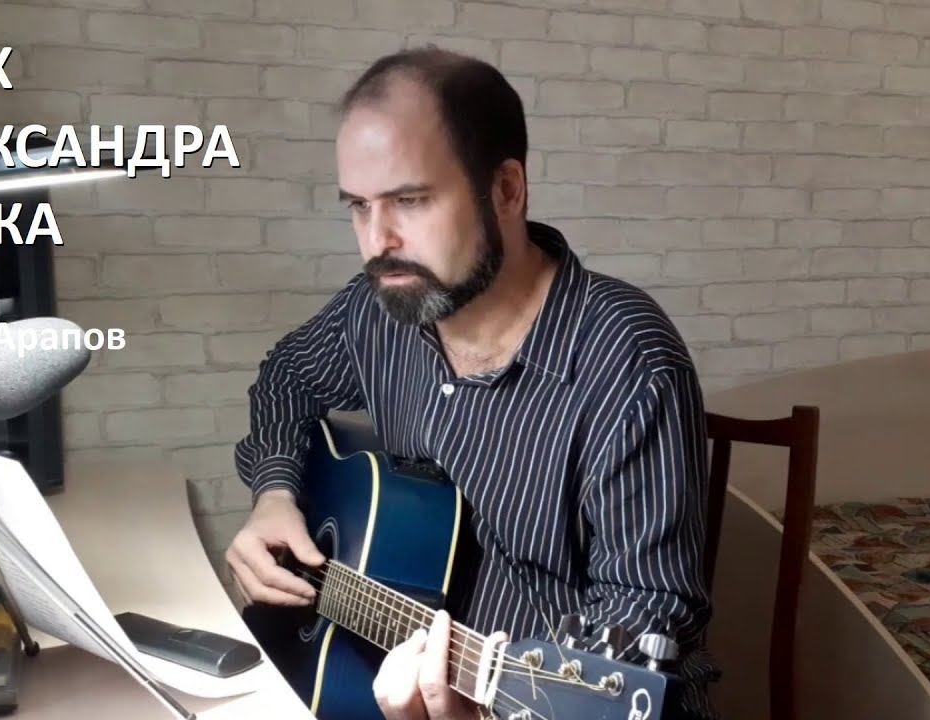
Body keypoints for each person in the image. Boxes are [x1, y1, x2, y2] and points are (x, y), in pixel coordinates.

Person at [226, 46, 719, 720]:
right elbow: (285, 379)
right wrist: (275, 494)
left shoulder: (628, 358)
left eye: (409, 201)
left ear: (506, 190)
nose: (377, 241)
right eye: (359, 207)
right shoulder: (380, 306)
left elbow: (644, 616)